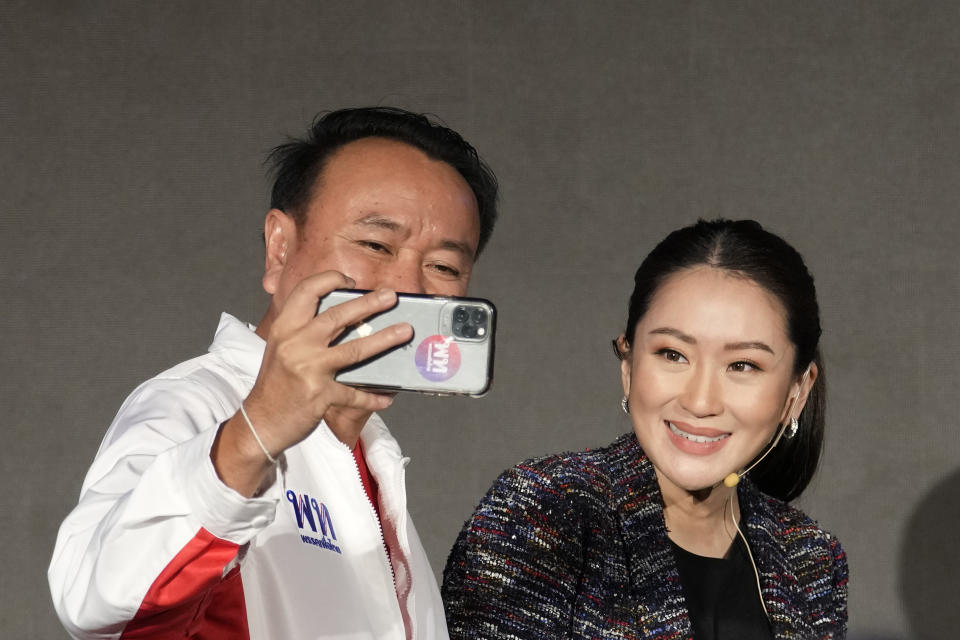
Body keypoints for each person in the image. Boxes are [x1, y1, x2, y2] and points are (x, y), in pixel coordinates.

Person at [48, 107, 498, 640]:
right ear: (280, 247)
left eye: (444, 267)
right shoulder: (193, 406)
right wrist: (256, 431)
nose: (406, 288)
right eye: (376, 245)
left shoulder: (372, 459)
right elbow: (96, 600)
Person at [442, 219, 847, 640]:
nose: (700, 401)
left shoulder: (810, 556)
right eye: (672, 354)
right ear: (628, 364)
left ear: (797, 391)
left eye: (742, 365)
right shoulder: (544, 511)